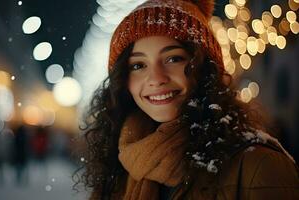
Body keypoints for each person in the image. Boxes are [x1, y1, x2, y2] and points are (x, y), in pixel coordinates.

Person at [74, 0, 299, 199]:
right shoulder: (116, 167)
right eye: (138, 65)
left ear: (205, 69)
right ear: (123, 80)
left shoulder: (259, 166)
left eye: (173, 58)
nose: (156, 78)